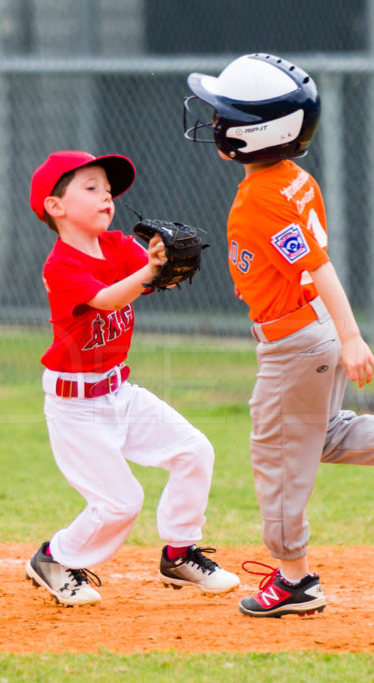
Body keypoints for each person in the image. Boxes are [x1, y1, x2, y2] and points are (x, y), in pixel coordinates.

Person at [183, 54, 374, 618]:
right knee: (320, 436)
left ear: (254, 133)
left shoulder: (260, 198)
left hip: (296, 344)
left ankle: (294, 580)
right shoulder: (293, 180)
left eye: (225, 113)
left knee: (276, 456)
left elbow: (319, 267)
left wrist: (352, 339)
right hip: (309, 331)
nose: (215, 121)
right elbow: (294, 264)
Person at [24, 150, 239, 606]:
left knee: (193, 451)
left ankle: (179, 554)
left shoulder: (119, 246)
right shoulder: (59, 266)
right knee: (121, 503)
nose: (106, 196)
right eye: (90, 187)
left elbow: (150, 270)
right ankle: (54, 558)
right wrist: (149, 272)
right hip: (76, 406)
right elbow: (104, 299)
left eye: (108, 189)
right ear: (55, 206)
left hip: (119, 392)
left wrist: (161, 260)